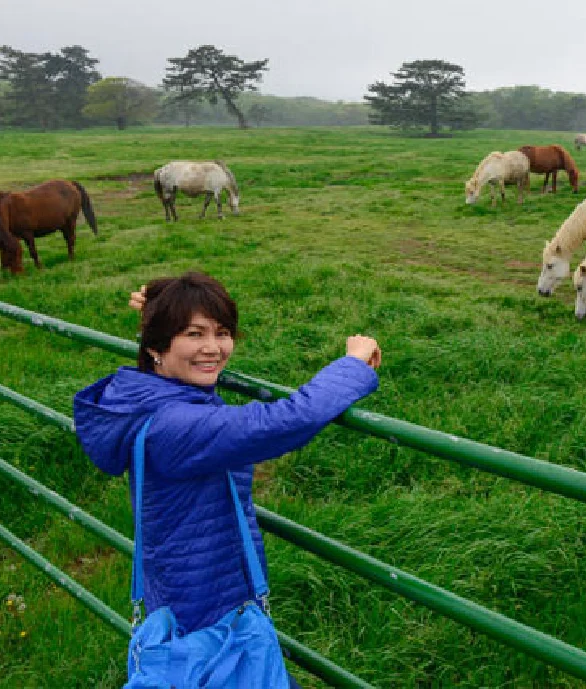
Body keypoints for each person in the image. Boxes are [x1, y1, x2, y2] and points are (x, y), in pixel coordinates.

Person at [73, 271, 380, 686]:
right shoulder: (175, 424)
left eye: (222, 332)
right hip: (208, 599)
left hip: (178, 581)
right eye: (194, 333)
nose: (213, 349)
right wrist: (353, 364)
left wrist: (162, 300)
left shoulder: (150, 397)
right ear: (156, 348)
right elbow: (282, 421)